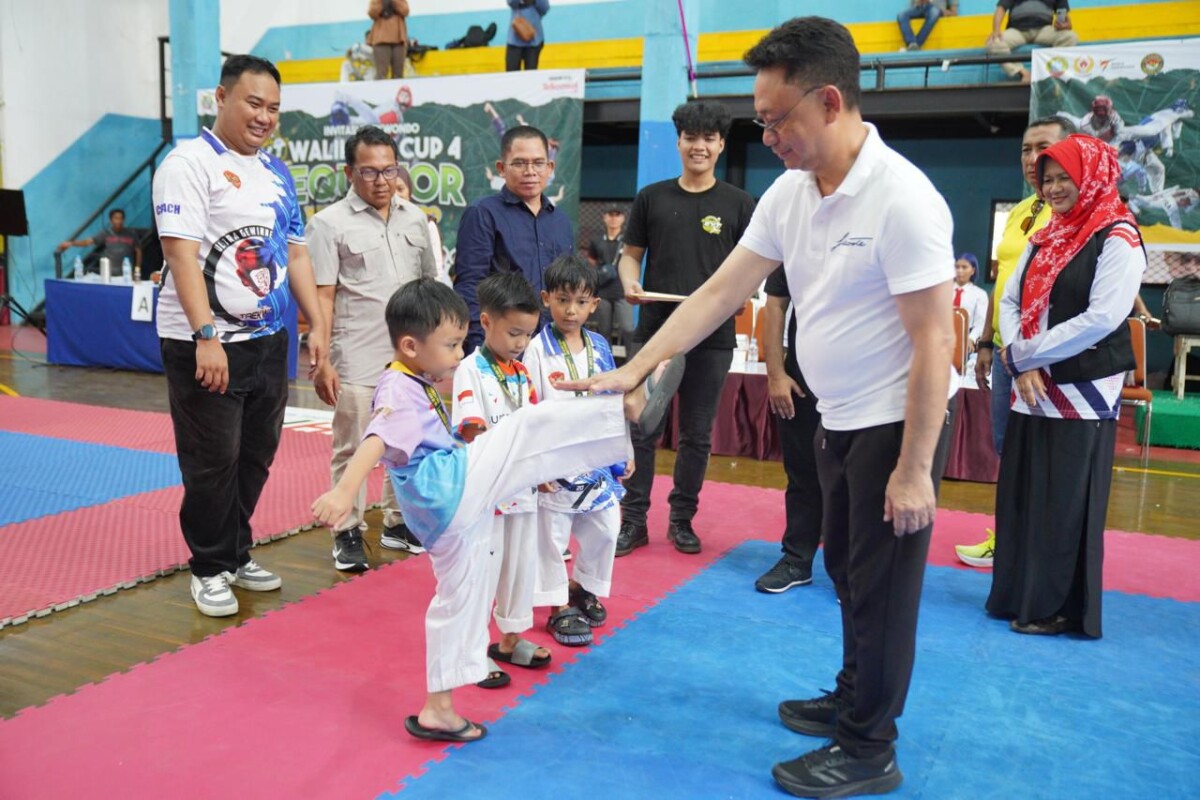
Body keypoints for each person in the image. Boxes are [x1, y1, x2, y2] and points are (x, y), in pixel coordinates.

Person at [561, 18, 956, 796]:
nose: (766, 135)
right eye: (762, 120)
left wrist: (915, 471)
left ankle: (869, 748)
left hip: (890, 427)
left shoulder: (905, 199)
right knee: (843, 568)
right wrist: (635, 365)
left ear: (831, 101)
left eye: (777, 120)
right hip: (834, 417)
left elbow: (936, 344)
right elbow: (718, 293)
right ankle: (853, 694)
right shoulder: (791, 193)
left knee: (880, 589)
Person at [310, 278, 682, 743]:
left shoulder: (415, 380)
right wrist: (346, 493)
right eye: (449, 344)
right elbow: (376, 440)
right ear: (410, 345)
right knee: (524, 429)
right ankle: (625, 407)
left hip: (448, 512)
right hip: (450, 490)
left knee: (461, 602)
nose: (456, 353)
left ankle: (438, 708)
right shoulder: (397, 388)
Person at [152, 54, 329, 617]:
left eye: (274, 108)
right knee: (212, 459)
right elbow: (180, 256)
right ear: (221, 99)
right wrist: (206, 334)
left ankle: (235, 551)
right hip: (205, 341)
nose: (264, 116)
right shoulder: (188, 163)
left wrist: (315, 325)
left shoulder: (275, 171)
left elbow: (295, 252)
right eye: (254, 103)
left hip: (270, 339)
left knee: (256, 454)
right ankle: (208, 567)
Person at [987, 134, 1145, 638]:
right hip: (1030, 385)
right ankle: (1016, 593)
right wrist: (1021, 362)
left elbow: (1103, 318)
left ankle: (1056, 607)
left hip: (1085, 386)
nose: (1053, 189)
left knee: (1064, 502)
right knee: (1022, 496)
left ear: (1091, 178)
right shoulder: (1046, 235)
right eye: (1046, 179)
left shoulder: (1118, 236)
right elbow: (1010, 303)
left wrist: (1024, 354)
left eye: (1063, 179)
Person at [615, 100, 756, 558]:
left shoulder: (738, 204)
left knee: (697, 434)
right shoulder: (652, 197)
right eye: (690, 137)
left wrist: (738, 296)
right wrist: (630, 281)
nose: (699, 146)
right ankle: (633, 521)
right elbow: (631, 254)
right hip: (655, 330)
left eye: (708, 138)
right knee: (642, 428)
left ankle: (682, 520)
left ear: (720, 144)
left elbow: (749, 270)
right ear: (678, 142)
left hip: (712, 338)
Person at [307, 125, 435, 572]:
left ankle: (400, 523)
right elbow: (322, 296)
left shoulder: (416, 219)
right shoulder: (327, 224)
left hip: (412, 360)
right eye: (370, 172)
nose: (381, 180)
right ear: (349, 172)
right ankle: (347, 531)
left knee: (408, 442)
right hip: (356, 355)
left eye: (389, 170)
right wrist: (322, 359)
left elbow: (428, 288)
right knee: (352, 445)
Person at [957, 115, 1074, 569]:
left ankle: (1039, 552)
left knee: (1044, 460)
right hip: (1006, 354)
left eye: (1042, 148)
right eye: (1025, 149)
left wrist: (1032, 354)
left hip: (1045, 358)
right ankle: (1008, 541)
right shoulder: (1022, 211)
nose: (1032, 158)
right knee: (1009, 453)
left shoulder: (1071, 212)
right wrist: (986, 343)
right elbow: (1002, 282)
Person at [524, 255, 630, 646]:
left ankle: (583, 587)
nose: (571, 310)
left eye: (581, 301)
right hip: (555, 458)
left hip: (598, 458)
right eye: (563, 299)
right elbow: (531, 410)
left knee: (606, 528)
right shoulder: (537, 350)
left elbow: (614, 399)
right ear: (546, 299)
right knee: (551, 538)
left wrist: (626, 449)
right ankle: (556, 608)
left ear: (594, 305)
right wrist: (538, 466)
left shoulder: (600, 345)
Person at [450, 272, 548, 687]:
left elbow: (535, 423)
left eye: (527, 334)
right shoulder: (469, 369)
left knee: (519, 569)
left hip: (522, 488)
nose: (521, 343)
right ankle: (473, 651)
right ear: (485, 321)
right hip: (487, 491)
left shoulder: (522, 373)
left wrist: (541, 469)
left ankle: (509, 640)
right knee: (483, 574)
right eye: (513, 333)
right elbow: (470, 428)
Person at [455, 124, 573, 352]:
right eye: (519, 163)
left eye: (538, 163)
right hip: (499, 344)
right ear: (501, 168)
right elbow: (470, 283)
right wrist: (479, 342)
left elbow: (568, 286)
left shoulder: (561, 222)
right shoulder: (482, 213)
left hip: (552, 345)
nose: (530, 171)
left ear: (550, 167)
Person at [755, 266, 823, 593]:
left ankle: (858, 570)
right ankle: (797, 559)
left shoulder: (874, 229)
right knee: (802, 473)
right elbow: (775, 304)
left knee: (860, 480)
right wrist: (776, 373)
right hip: (801, 376)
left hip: (863, 379)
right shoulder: (796, 234)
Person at [985, 0, 1078, 83]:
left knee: (1070, 36)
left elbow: (1063, 16)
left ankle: (1048, 73)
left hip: (1043, 30)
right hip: (1017, 31)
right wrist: (996, 30)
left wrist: (1064, 25)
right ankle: (1024, 73)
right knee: (992, 42)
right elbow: (1001, 9)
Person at [585, 204, 635, 351]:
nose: (614, 218)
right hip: (603, 291)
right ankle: (605, 363)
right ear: (604, 217)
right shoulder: (596, 239)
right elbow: (591, 261)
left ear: (623, 218)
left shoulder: (628, 239)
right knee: (603, 329)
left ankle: (631, 363)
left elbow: (633, 260)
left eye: (617, 214)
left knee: (628, 328)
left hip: (623, 290)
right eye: (610, 215)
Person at [394, 165, 450, 285]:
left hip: (417, 299)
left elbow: (436, 274)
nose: (396, 195)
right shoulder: (374, 224)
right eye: (391, 190)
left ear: (409, 191)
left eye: (400, 189)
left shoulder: (426, 222)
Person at [58, 208, 142, 276]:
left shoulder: (131, 233)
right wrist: (71, 243)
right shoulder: (105, 233)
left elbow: (138, 251)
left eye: (121, 218)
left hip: (126, 273)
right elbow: (87, 242)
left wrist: (137, 270)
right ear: (111, 220)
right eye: (116, 218)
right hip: (109, 273)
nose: (119, 221)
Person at [953, 252, 988, 387]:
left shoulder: (979, 294)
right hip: (944, 338)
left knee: (961, 378)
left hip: (965, 340)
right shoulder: (944, 290)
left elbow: (981, 321)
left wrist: (971, 338)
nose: (960, 271)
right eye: (957, 267)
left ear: (973, 270)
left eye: (964, 267)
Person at [367, 0, 409, 80]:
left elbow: (405, 11)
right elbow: (372, 13)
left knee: (398, 75)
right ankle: (381, 92)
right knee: (381, 74)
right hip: (381, 39)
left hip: (398, 39)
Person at [506, 0, 550, 72]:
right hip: (515, 38)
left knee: (531, 75)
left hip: (533, 39)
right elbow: (511, 2)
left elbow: (545, 7)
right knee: (511, 75)